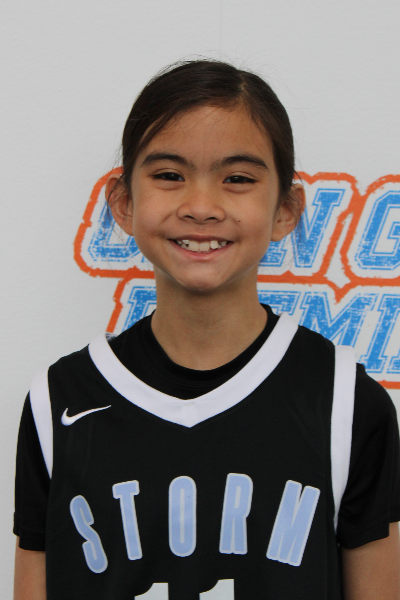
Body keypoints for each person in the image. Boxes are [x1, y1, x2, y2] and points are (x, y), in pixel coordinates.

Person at [13, 59, 400, 600]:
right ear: (124, 202)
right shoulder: (60, 400)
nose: (200, 207)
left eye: (237, 179)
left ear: (285, 209)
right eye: (169, 175)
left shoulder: (345, 402)